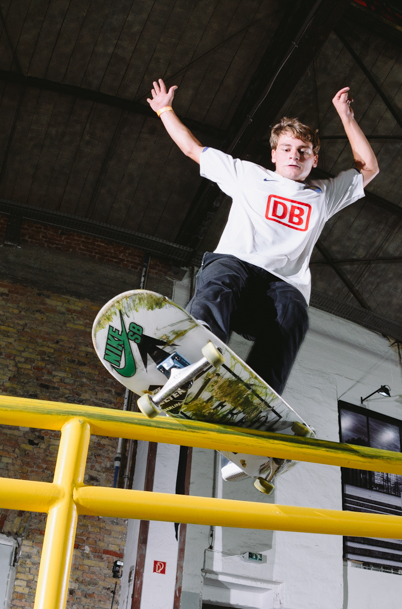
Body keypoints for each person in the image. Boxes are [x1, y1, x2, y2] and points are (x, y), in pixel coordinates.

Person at [147, 79, 379, 397]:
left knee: (296, 314)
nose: (294, 156)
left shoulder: (324, 193)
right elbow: (192, 148)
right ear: (273, 154)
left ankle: (257, 395)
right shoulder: (248, 175)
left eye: (303, 151)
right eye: (286, 149)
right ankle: (190, 358)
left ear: (315, 158)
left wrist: (345, 116)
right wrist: (164, 109)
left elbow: (368, 169)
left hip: (277, 294)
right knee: (221, 275)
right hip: (237, 270)